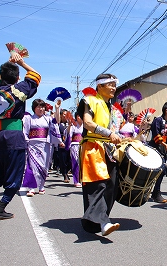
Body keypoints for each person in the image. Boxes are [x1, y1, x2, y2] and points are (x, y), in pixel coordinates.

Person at [0, 53, 41, 220]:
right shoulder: (18, 89)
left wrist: (7, 65)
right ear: (17, 77)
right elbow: (35, 75)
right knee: (15, 175)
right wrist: (21, 62)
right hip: (14, 137)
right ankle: (0, 208)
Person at [76, 73, 124, 236]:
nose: (113, 87)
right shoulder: (90, 100)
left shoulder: (111, 107)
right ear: (100, 86)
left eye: (114, 84)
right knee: (98, 186)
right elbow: (88, 123)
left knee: (112, 185)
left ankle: (92, 223)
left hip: (109, 149)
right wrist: (108, 134)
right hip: (93, 147)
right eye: (110, 84)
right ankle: (104, 222)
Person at [22, 99, 61, 196]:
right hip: (32, 144)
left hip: (45, 145)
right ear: (34, 108)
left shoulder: (47, 118)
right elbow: (25, 131)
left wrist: (57, 109)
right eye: (38, 107)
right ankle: (31, 188)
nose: (41, 109)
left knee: (44, 166)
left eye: (42, 107)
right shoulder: (29, 118)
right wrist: (27, 142)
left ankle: (41, 186)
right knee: (32, 166)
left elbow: (57, 121)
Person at [148, 101, 167, 203]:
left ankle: (156, 193)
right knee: (151, 172)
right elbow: (156, 135)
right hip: (154, 149)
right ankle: (144, 192)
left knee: (162, 171)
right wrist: (165, 144)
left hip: (162, 151)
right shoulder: (158, 120)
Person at [65, 112, 83, 188]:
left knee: (83, 163)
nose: (80, 118)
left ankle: (83, 179)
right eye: (78, 116)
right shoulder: (73, 125)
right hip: (75, 145)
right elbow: (68, 134)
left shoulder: (86, 125)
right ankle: (76, 180)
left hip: (84, 145)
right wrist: (69, 126)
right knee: (76, 162)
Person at [58, 108, 71, 183]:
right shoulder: (58, 124)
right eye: (64, 114)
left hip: (69, 144)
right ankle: (65, 174)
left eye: (67, 114)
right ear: (61, 115)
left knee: (69, 160)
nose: (66, 116)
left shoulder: (69, 123)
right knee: (63, 160)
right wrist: (59, 142)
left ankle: (68, 170)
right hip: (61, 143)